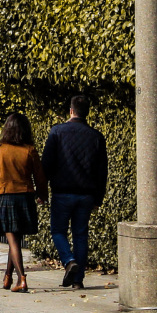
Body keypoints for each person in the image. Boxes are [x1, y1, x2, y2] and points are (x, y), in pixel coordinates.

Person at [42, 95, 108, 289]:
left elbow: (46, 164)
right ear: (87, 112)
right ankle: (78, 280)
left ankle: (69, 260)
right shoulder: (96, 137)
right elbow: (102, 171)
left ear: (71, 111)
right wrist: (99, 197)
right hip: (86, 195)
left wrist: (41, 191)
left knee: (57, 231)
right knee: (80, 235)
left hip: (62, 192)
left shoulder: (57, 132)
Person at [0, 112, 48, 293]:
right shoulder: (29, 150)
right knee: (15, 239)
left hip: (4, 197)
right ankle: (7, 276)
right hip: (25, 197)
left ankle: (21, 278)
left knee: (12, 238)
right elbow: (40, 177)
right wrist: (42, 195)